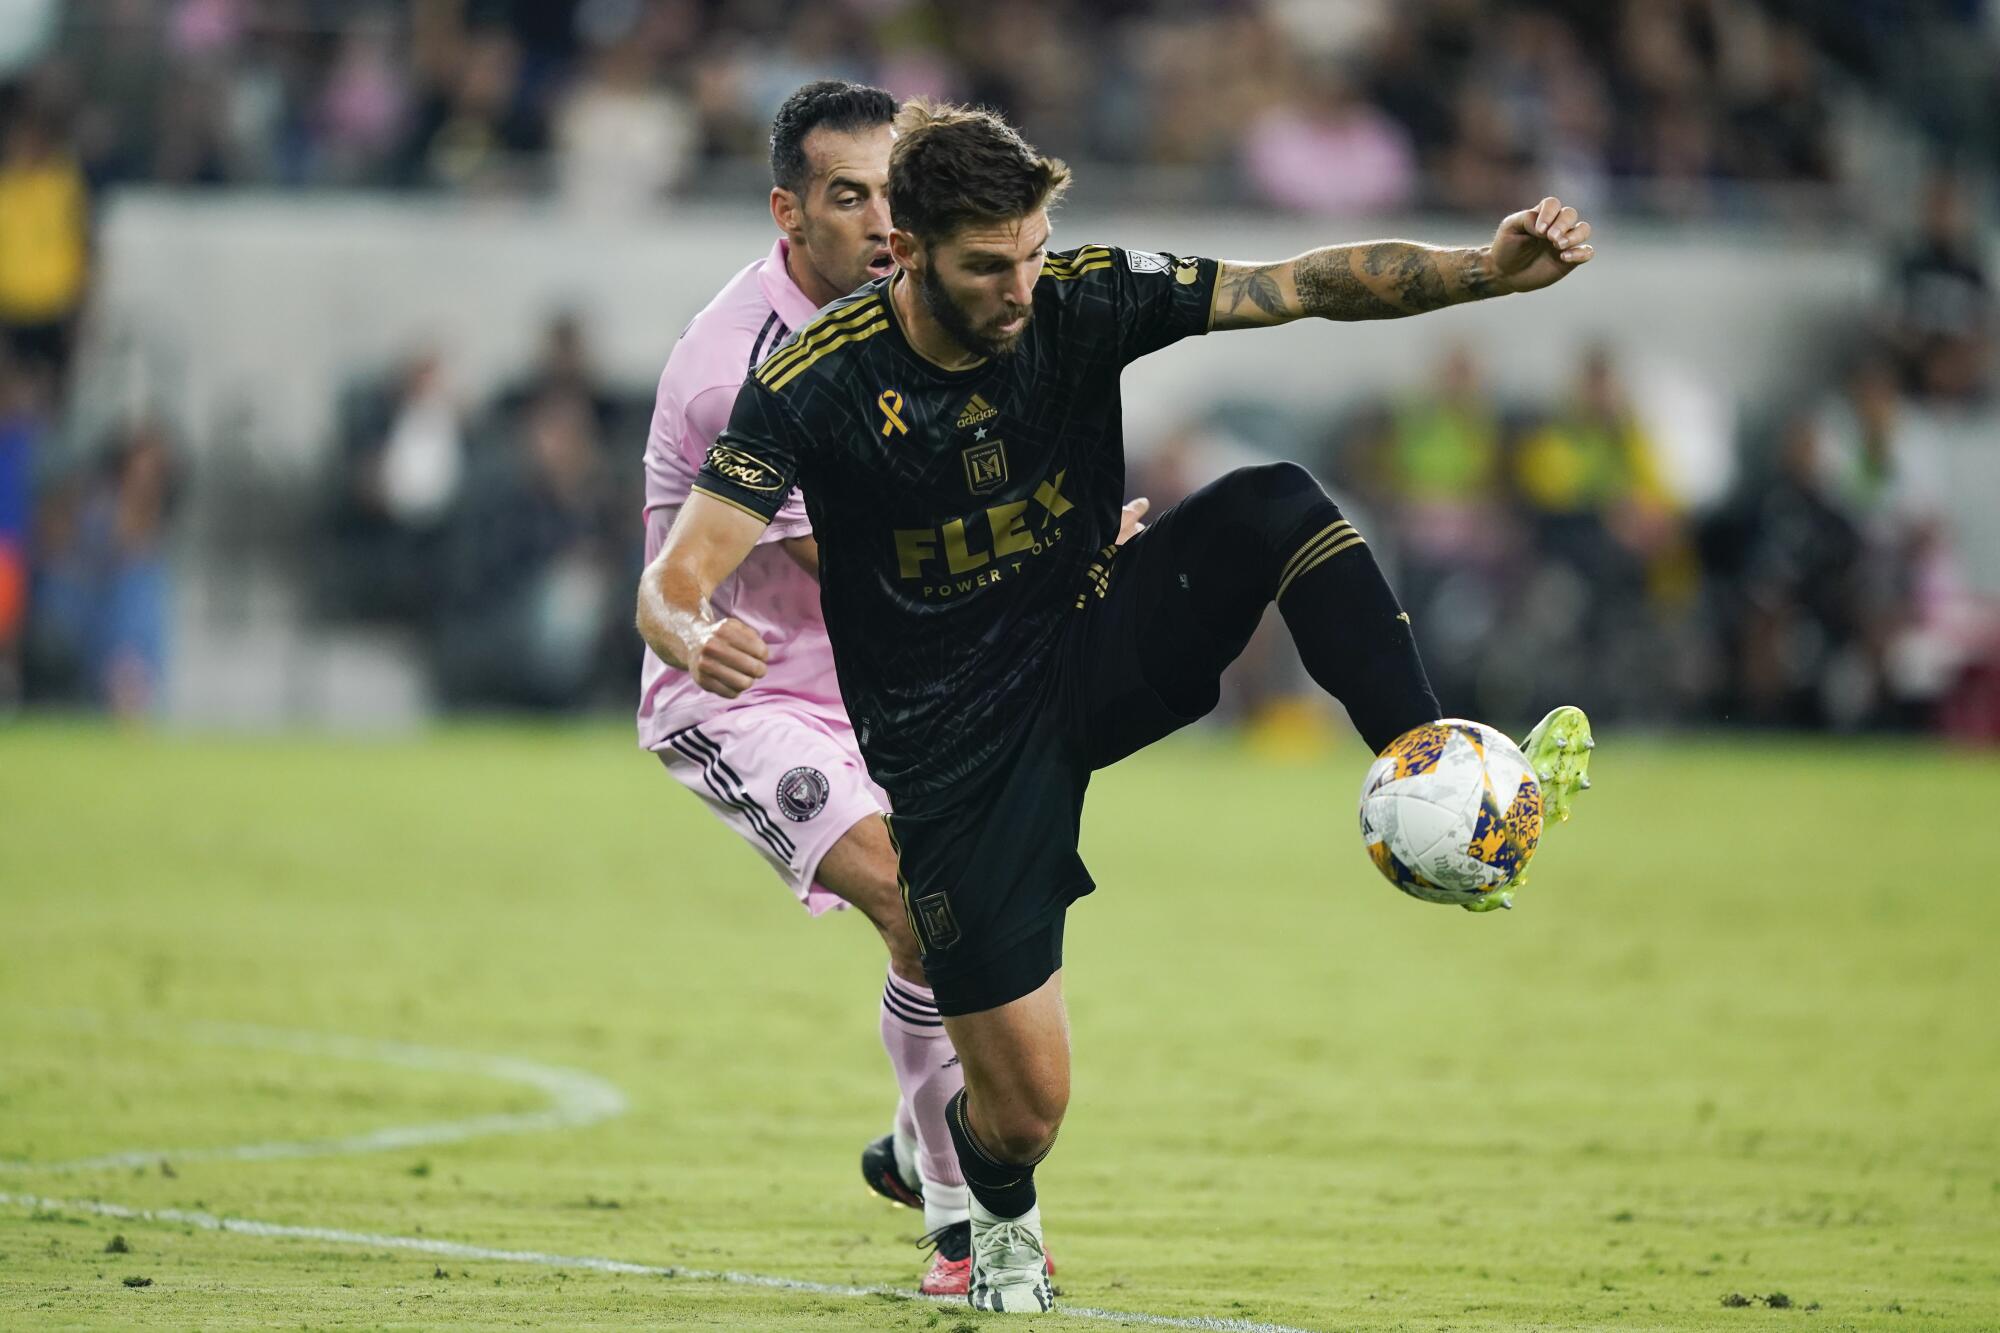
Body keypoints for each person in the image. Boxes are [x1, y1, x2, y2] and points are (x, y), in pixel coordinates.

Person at [638, 100, 1595, 1312]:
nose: (1019, 288)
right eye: (988, 265)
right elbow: (674, 577)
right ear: (911, 252)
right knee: (1026, 1113)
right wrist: (691, 629)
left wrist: (1484, 273)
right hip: (954, 756)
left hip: (1086, 644)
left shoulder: (1080, 296)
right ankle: (990, 1197)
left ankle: (1430, 753)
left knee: (1274, 504)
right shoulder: (807, 386)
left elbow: (1294, 283)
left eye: (1033, 252)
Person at [633, 81, 1135, 1296]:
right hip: (741, 692)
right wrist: (1054, 541)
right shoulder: (747, 375)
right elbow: (853, 551)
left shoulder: (919, 327)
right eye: (845, 195)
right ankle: (961, 1228)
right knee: (921, 906)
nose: (873, 220)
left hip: (887, 693)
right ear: (787, 212)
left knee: (943, 913)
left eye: (885, 193)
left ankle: (919, 1140)